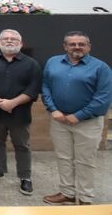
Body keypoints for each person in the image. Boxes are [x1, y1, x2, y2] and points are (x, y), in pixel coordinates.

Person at [42, 31, 112, 205]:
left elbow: (103, 97)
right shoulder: (53, 62)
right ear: (65, 46)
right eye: (72, 44)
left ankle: (86, 198)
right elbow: (45, 87)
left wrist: (79, 115)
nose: (77, 47)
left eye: (81, 44)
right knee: (63, 157)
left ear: (88, 46)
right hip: (59, 120)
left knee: (85, 161)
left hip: (88, 123)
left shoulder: (101, 67)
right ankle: (67, 193)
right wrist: (52, 109)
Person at [0, 29, 42, 196]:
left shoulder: (31, 64)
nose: (9, 41)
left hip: (19, 113)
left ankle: (25, 177)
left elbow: (33, 88)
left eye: (14, 39)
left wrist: (12, 103)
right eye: (5, 38)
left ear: (21, 44)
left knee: (22, 145)